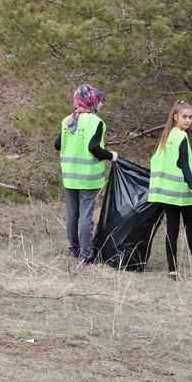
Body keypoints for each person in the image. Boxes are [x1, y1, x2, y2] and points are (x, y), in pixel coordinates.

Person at [54, 84, 118, 269]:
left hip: (69, 175)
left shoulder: (67, 120)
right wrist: (111, 156)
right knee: (86, 216)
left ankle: (73, 250)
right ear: (92, 101)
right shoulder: (96, 122)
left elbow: (57, 144)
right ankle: (87, 255)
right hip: (88, 176)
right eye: (100, 101)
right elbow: (94, 149)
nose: (101, 105)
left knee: (72, 214)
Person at [148, 100, 192, 281]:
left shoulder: (167, 136)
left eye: (190, 117)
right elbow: (184, 165)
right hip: (183, 191)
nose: (188, 120)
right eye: (184, 117)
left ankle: (172, 271)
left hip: (168, 192)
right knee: (191, 229)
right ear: (176, 117)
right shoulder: (181, 137)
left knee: (172, 229)